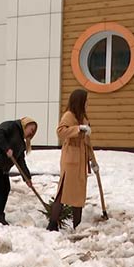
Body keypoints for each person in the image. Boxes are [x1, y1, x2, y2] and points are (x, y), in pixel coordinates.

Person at [47, 89, 97, 231]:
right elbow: (60, 132)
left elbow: (87, 143)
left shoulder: (83, 118)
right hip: (70, 160)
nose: (88, 103)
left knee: (79, 193)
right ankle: (52, 224)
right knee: (64, 191)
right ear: (80, 101)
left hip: (81, 160)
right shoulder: (69, 116)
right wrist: (78, 129)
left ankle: (77, 225)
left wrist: (93, 160)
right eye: (86, 100)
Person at [0, 117, 37, 225]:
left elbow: (20, 161)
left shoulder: (21, 143)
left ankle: (0, 215)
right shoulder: (12, 126)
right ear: (26, 124)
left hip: (1, 166)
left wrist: (27, 178)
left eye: (34, 131)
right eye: (31, 129)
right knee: (0, 188)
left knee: (5, 188)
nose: (32, 132)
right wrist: (6, 148)